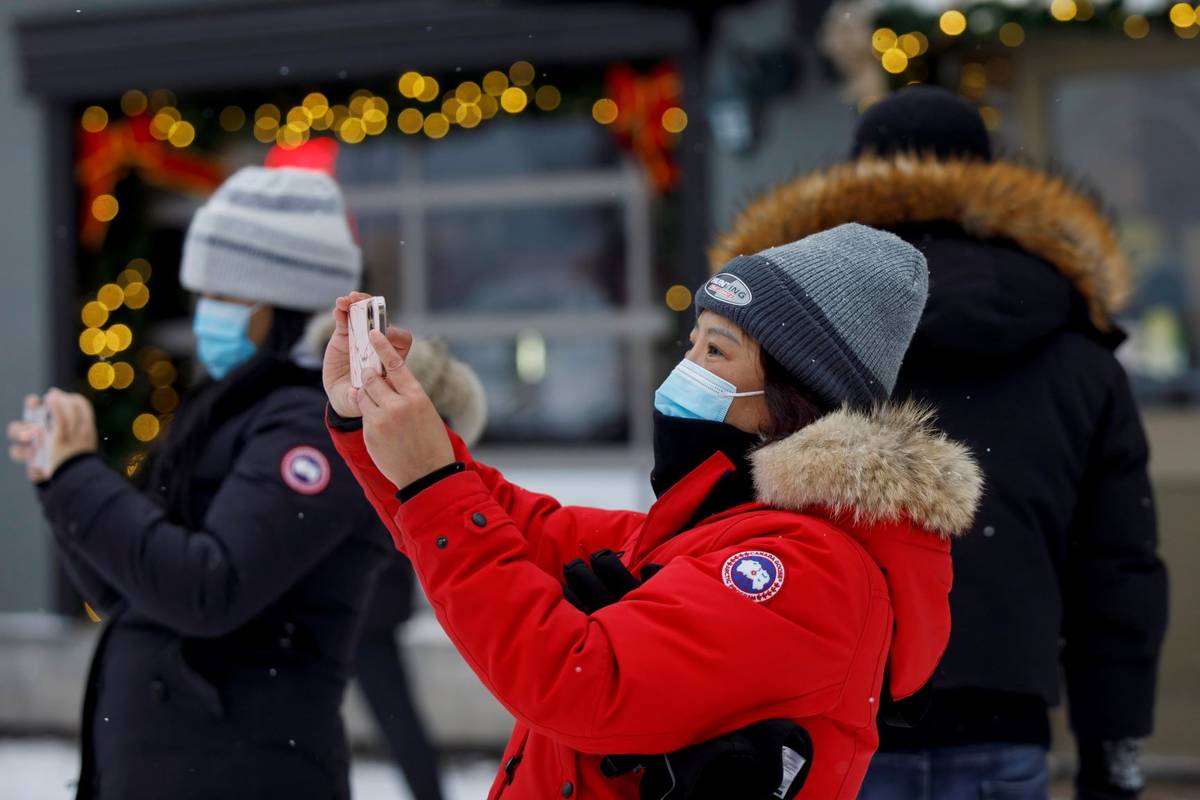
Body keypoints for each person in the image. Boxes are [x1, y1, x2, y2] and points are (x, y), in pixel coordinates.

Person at [321, 223, 983, 799]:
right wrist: (374, 431)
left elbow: (582, 682)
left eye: (716, 352)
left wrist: (430, 479)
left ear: (792, 397)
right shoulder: (708, 531)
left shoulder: (803, 571)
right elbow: (524, 531)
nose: (686, 369)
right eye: (692, 343)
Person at [708, 87, 1169, 800]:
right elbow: (1116, 574)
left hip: (827, 726)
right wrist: (1114, 754)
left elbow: (717, 539)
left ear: (850, 182)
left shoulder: (779, 345)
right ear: (990, 183)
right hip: (1002, 725)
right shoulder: (1079, 356)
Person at [6, 165, 484, 800]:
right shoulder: (234, 407)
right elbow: (127, 591)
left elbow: (207, 589)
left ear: (277, 304)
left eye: (223, 295)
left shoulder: (311, 429)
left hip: (241, 771)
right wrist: (60, 480)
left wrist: (77, 480)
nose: (205, 314)